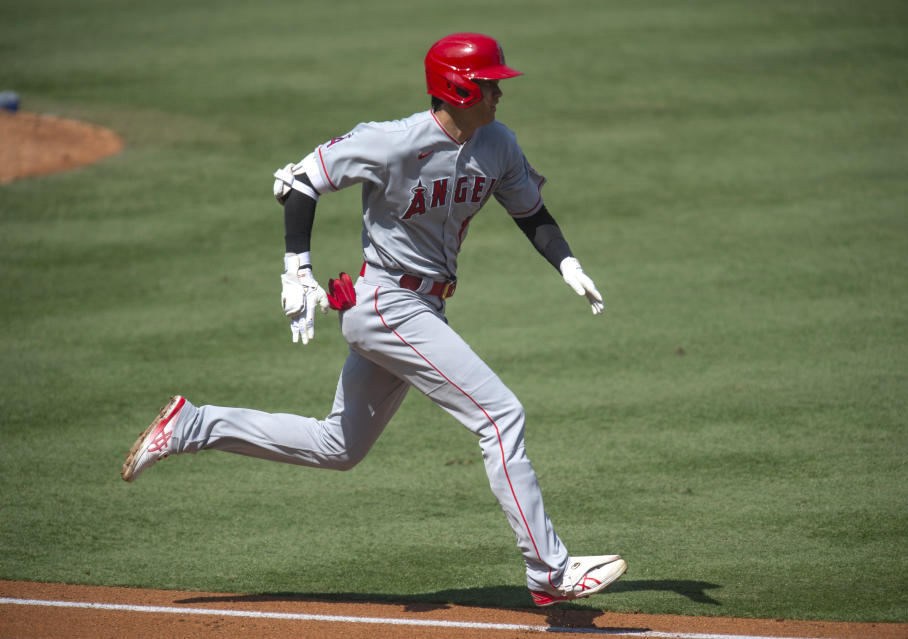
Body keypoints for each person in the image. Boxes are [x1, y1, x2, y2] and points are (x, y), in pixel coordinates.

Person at [121, 33, 625, 607]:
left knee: (339, 446)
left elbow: (531, 213)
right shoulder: (389, 143)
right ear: (457, 88)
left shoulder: (499, 145)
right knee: (500, 414)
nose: (498, 94)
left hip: (421, 306)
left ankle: (192, 425)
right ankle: (549, 570)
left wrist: (567, 262)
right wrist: (296, 270)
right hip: (387, 303)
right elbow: (298, 181)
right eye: (489, 85)